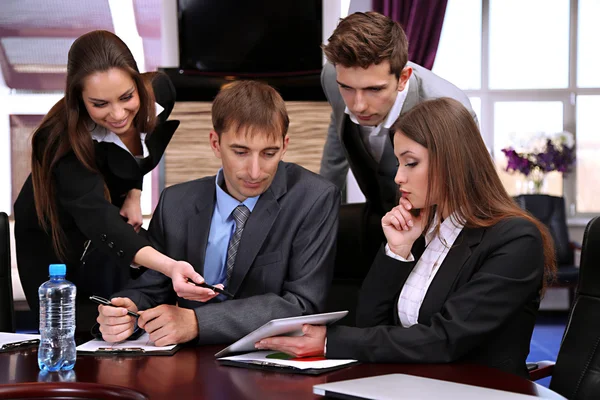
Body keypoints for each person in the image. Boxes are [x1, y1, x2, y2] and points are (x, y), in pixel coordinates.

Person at [256, 98, 557, 378]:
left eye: (410, 163)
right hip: (409, 385)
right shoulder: (423, 229)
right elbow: (370, 325)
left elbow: (445, 339)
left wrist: (329, 341)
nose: (398, 177)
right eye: (398, 163)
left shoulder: (515, 239)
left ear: (451, 161)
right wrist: (397, 251)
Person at [96, 80, 340, 346]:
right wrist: (126, 313)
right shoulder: (175, 203)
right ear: (215, 143)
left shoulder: (315, 198)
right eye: (240, 152)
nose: (255, 171)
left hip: (270, 362)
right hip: (187, 367)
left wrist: (198, 323)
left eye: (269, 153)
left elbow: (304, 305)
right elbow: (152, 289)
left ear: (285, 146)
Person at [14, 30, 210, 332]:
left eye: (127, 97)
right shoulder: (60, 143)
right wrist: (170, 266)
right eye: (100, 104)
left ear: (137, 84)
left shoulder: (160, 92)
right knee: (86, 323)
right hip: (56, 240)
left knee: (143, 306)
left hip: (108, 227)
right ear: (79, 99)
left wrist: (134, 192)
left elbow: (139, 153)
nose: (118, 114)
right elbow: (99, 219)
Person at [319, 11, 478, 280]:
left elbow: (467, 193)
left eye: (374, 90)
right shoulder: (331, 78)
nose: (357, 105)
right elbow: (337, 144)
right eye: (347, 88)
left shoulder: (448, 106)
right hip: (379, 224)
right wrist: (316, 216)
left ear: (403, 77)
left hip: (436, 236)